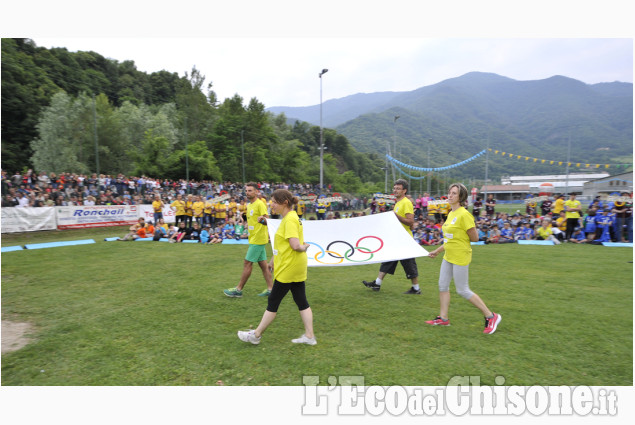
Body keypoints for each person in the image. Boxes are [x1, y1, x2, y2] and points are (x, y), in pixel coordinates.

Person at [237, 189, 316, 345]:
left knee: (273, 301)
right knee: (301, 301)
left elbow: (294, 245)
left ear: (284, 202)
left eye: (273, 201)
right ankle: (309, 336)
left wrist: (303, 247)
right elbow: (284, 244)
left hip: (289, 267)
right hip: (294, 266)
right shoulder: (290, 218)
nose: (271, 205)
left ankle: (256, 335)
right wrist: (273, 260)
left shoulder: (290, 220)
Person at [426, 183, 502, 334]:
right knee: (442, 286)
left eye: (454, 193)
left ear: (461, 197)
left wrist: (460, 238)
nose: (450, 195)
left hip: (460, 256)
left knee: (463, 290)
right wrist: (438, 250)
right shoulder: (451, 214)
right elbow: (449, 239)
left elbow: (474, 237)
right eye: (449, 192)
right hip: (448, 255)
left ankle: (491, 316)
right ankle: (443, 318)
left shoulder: (464, 214)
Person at [362, 179, 421, 294]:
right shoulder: (398, 203)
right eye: (394, 188)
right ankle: (377, 284)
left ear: (404, 190)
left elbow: (410, 221)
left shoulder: (406, 202)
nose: (395, 190)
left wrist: (395, 215)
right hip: (397, 238)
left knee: (409, 264)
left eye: (398, 188)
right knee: (388, 260)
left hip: (404, 240)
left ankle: (416, 289)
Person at [223, 182, 274, 297]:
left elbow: (267, 221)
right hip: (254, 238)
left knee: (247, 263)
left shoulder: (260, 204)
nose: (247, 192)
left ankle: (238, 290)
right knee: (264, 266)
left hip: (259, 239)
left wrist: (262, 220)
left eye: (250, 190)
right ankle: (271, 289)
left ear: (256, 192)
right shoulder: (249, 205)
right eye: (246, 191)